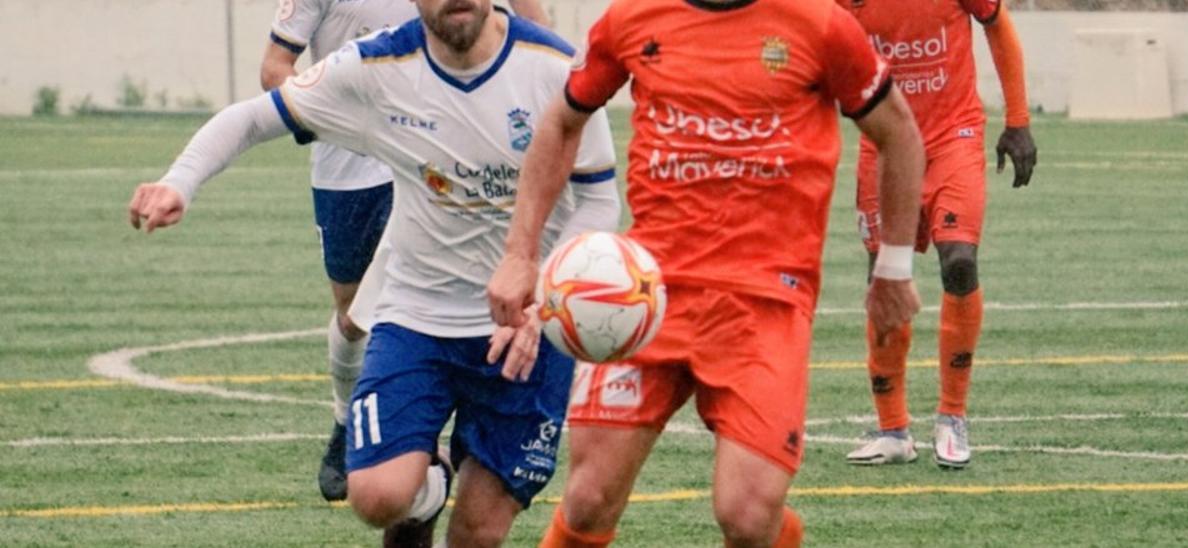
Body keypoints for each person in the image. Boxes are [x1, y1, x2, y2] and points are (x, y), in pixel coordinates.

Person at [128, 0, 619, 545]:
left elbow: (598, 202)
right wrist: (180, 181)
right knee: (378, 497)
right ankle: (431, 483)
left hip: (523, 331)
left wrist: (543, 303)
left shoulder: (553, 66)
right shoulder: (374, 68)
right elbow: (253, 116)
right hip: (417, 316)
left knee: (478, 532)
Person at [487, 0, 926, 545]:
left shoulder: (820, 23)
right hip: (646, 301)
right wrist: (520, 254)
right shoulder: (633, 18)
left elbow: (898, 131)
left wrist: (893, 268)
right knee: (587, 500)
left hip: (763, 303)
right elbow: (560, 121)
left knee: (747, 514)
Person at [260, 0, 552, 502]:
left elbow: (543, 47)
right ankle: (346, 418)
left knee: (425, 308)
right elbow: (274, 68)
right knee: (353, 319)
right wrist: (333, 118)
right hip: (347, 173)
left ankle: (429, 450)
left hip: (436, 169)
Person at [839, 0, 1039, 470]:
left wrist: (1018, 121)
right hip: (884, 143)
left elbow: (998, 25)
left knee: (960, 262)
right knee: (883, 276)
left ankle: (952, 416)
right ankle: (893, 430)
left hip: (956, 136)